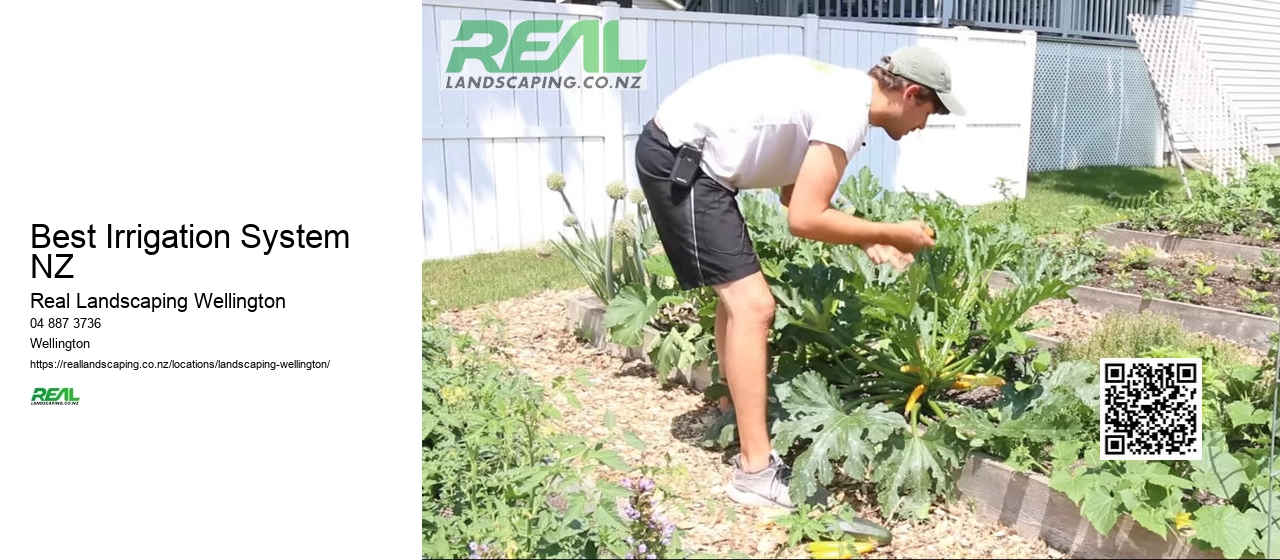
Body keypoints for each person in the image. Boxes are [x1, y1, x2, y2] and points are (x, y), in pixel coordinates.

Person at [633, 45, 964, 509]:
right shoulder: (847, 110)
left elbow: (795, 194)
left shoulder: (843, 93)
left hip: (694, 158)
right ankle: (755, 471)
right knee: (753, 305)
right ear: (911, 94)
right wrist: (890, 230)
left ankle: (735, 414)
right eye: (931, 111)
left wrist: (864, 237)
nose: (924, 125)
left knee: (739, 300)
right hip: (683, 162)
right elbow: (805, 218)